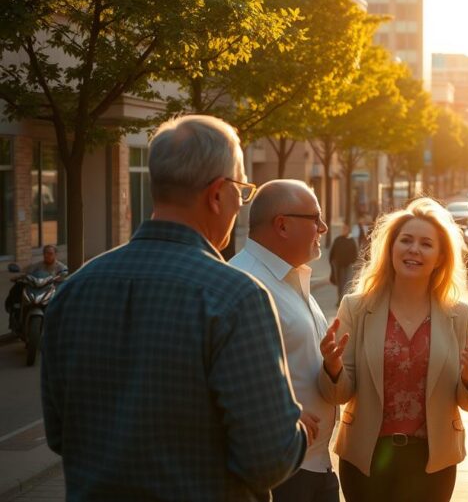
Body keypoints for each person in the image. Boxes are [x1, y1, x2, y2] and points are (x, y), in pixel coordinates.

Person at [41, 115, 307, 500]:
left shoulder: (73, 291)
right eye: (241, 191)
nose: (239, 205)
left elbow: (59, 434)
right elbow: (269, 459)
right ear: (217, 194)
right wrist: (296, 430)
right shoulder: (236, 298)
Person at [316, 197, 468, 502]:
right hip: (366, 460)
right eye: (406, 240)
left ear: (439, 257)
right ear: (390, 248)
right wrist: (332, 368)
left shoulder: (461, 315)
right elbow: (337, 394)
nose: (414, 249)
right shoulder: (356, 308)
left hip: (432, 463)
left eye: (426, 244)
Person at [229, 180, 338, 502]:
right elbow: (224, 376)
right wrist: (282, 413)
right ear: (282, 225)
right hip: (281, 473)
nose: (323, 226)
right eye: (315, 217)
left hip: (315, 464)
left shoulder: (294, 277)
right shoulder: (242, 284)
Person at [330, 223, 359, 301]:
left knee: (346, 283)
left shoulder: (351, 240)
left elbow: (355, 253)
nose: (343, 231)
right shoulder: (338, 239)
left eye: (345, 229)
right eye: (343, 229)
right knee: (340, 283)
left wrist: (352, 261)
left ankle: (343, 299)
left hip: (348, 265)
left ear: (348, 230)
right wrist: (333, 262)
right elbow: (332, 252)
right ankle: (340, 299)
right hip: (338, 265)